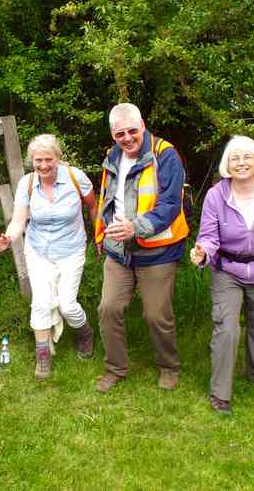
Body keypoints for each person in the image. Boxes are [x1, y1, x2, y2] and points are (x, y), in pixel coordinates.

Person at [190, 136, 254, 415]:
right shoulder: (216, 195)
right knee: (227, 329)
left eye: (247, 157)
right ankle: (220, 392)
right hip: (228, 272)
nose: (241, 163)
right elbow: (209, 236)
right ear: (227, 164)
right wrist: (203, 252)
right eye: (235, 158)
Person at [94, 103, 189, 393]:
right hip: (118, 250)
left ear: (143, 125)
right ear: (112, 134)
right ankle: (115, 369)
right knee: (108, 308)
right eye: (120, 133)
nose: (127, 138)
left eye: (132, 131)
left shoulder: (165, 154)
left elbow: (171, 205)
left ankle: (169, 367)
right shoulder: (112, 155)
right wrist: (101, 236)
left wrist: (135, 227)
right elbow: (105, 200)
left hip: (157, 250)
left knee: (156, 315)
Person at [0, 134, 97, 380]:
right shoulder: (27, 183)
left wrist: (99, 235)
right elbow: (18, 221)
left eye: (48, 159)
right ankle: (43, 356)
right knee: (40, 302)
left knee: (68, 305)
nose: (43, 165)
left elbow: (92, 205)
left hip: (71, 249)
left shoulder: (75, 177)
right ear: (32, 161)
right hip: (38, 251)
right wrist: (8, 238)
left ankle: (85, 334)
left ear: (58, 158)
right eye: (38, 160)